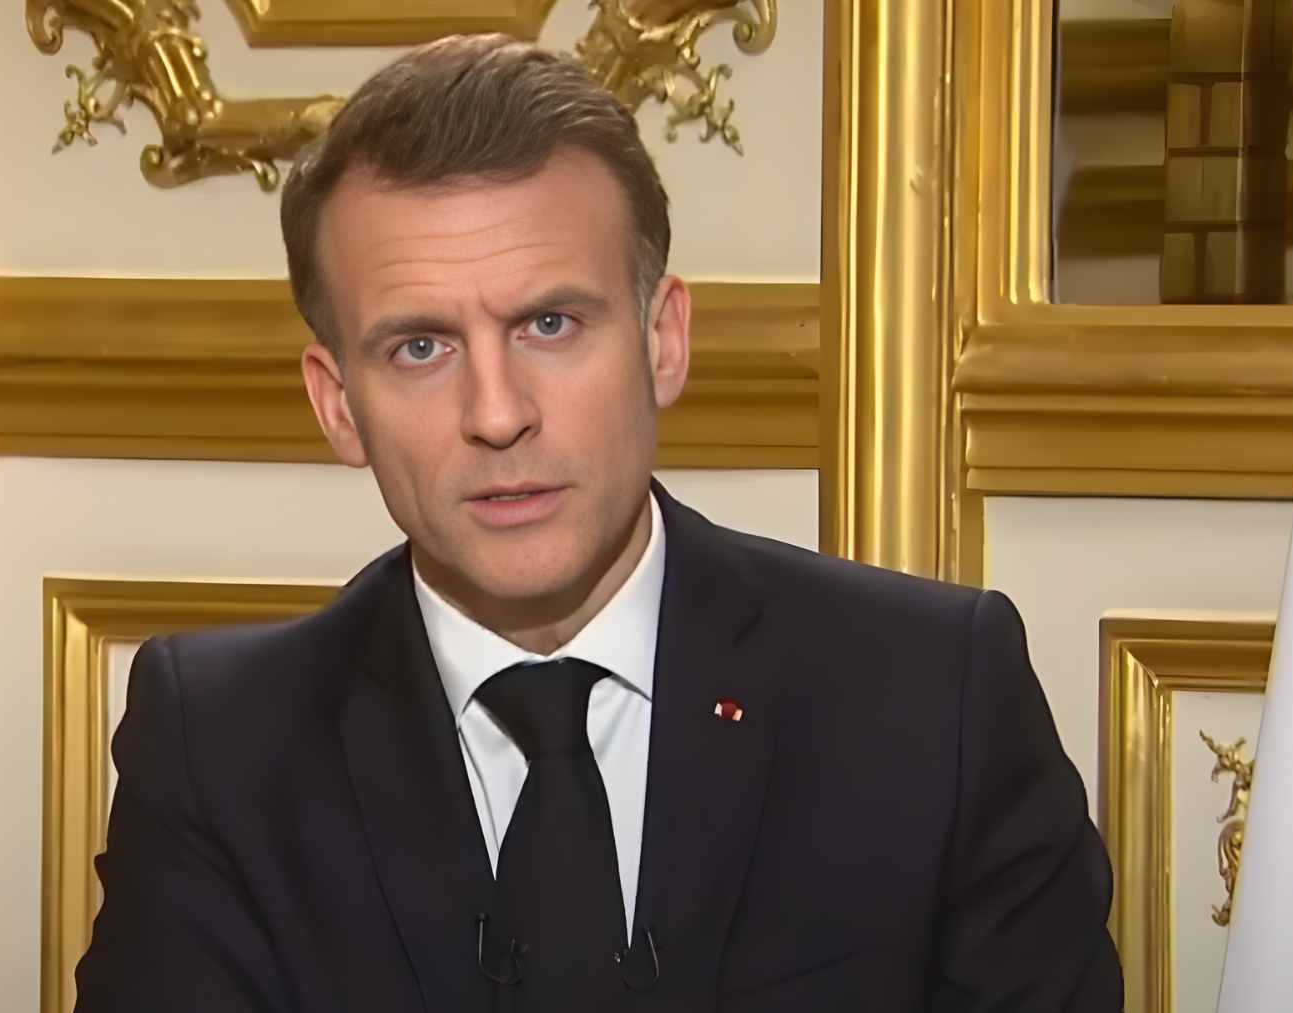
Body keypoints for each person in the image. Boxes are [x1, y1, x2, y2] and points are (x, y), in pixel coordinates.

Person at [74, 33, 1122, 1012]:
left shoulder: (934, 695)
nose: (498, 413)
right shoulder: (220, 749)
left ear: (664, 341)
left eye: (550, 323)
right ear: (337, 402)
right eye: (420, 348)